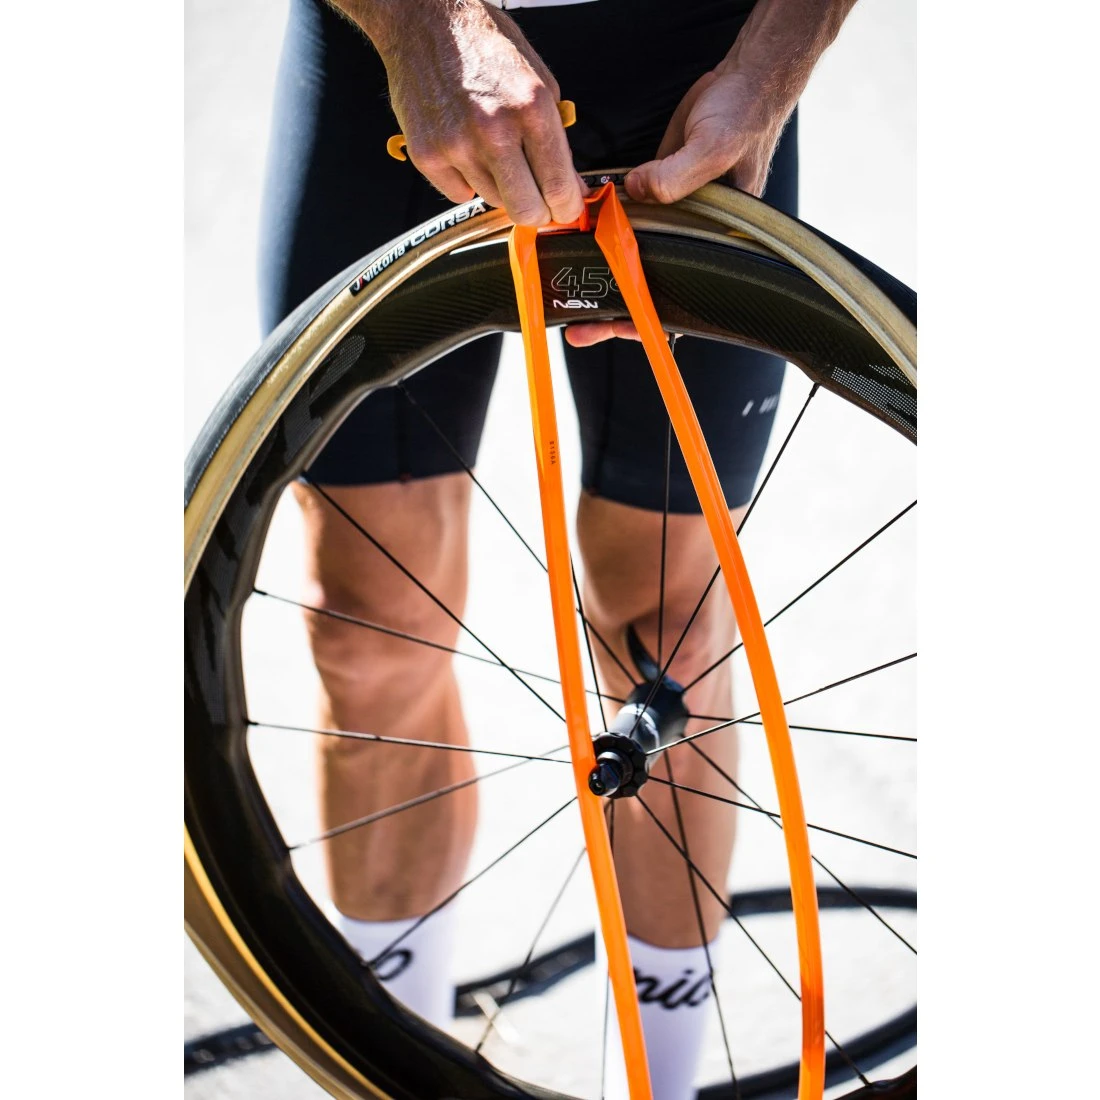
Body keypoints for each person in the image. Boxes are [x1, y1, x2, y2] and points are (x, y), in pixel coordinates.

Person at [258, 1, 855, 1096]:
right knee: (368, 627)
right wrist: (424, 28)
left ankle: (663, 1082)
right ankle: (396, 1069)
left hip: (697, 67)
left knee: (668, 638)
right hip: (403, 65)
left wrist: (777, 59)